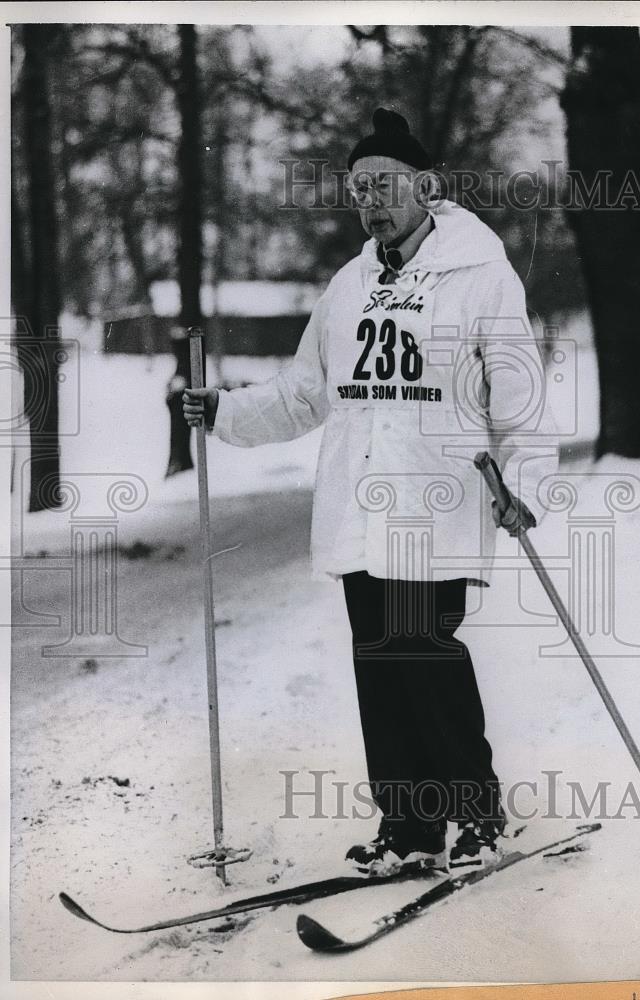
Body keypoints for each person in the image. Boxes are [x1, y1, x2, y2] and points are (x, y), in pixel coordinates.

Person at [184, 108, 557, 876]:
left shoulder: (479, 275)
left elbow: (518, 397)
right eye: (360, 189)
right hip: (359, 507)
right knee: (379, 668)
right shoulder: (349, 284)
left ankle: (479, 816)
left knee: (425, 654)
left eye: (383, 184)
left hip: (437, 500)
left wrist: (522, 482)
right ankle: (412, 828)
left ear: (425, 186)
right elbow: (304, 391)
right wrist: (225, 411)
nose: (371, 201)